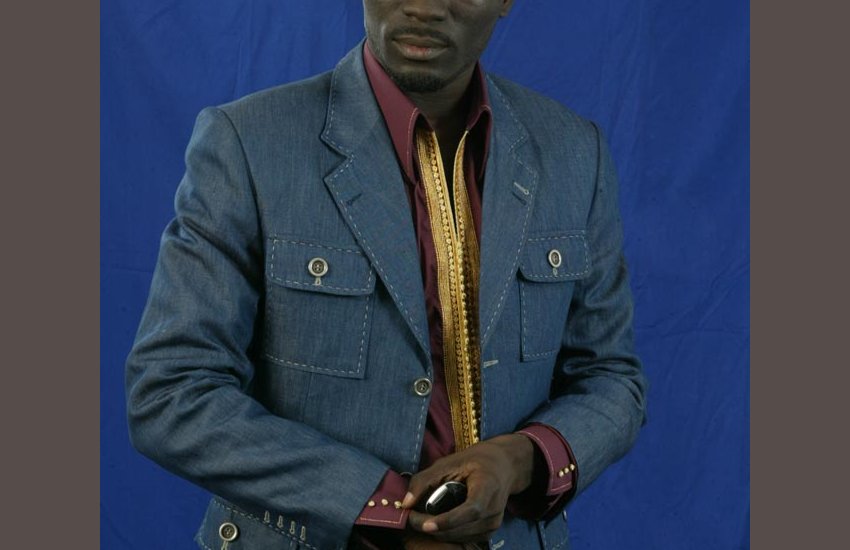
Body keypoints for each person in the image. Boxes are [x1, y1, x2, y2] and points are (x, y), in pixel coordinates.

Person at [125, 1, 648, 549]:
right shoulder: (247, 142)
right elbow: (171, 391)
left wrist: (519, 460)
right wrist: (380, 507)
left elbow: (611, 377)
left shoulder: (574, 153)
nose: (423, 6)